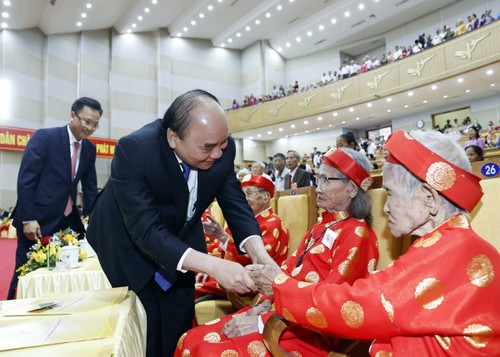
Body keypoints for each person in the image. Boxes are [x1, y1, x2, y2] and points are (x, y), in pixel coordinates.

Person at [271, 130, 500, 355]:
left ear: (429, 198)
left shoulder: (451, 252)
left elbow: (361, 304)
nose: (386, 207)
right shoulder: (448, 244)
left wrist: (280, 287)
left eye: (391, 194)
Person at [86, 89, 275, 357]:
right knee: (145, 319)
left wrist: (261, 255)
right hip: (127, 238)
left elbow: (236, 205)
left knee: (179, 314)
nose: (218, 154)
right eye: (208, 147)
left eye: (223, 144)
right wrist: (215, 266)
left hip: (181, 229)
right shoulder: (135, 149)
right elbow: (146, 230)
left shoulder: (221, 146)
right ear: (173, 137)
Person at [176, 148, 379, 356]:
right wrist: (260, 309)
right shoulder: (320, 226)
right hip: (281, 315)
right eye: (319, 178)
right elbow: (283, 275)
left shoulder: (357, 234)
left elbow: (331, 302)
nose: (318, 187)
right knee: (190, 339)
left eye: (327, 179)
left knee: (207, 351)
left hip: (308, 332)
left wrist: (262, 322)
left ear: (352, 189)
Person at [7, 97, 101, 299]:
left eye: (95, 124)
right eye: (86, 121)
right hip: (37, 220)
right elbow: (26, 180)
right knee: (26, 271)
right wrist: (28, 218)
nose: (90, 128)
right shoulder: (45, 137)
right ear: (72, 115)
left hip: (68, 222)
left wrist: (93, 218)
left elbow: (90, 188)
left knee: (66, 271)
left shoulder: (89, 149)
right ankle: (9, 314)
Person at [195, 174, 289, 300]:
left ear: (266, 197)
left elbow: (256, 259)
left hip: (252, 280)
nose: (244, 200)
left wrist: (225, 240)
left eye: (249, 193)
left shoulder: (273, 223)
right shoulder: (241, 222)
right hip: (232, 272)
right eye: (242, 195)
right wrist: (206, 265)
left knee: (186, 290)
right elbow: (218, 247)